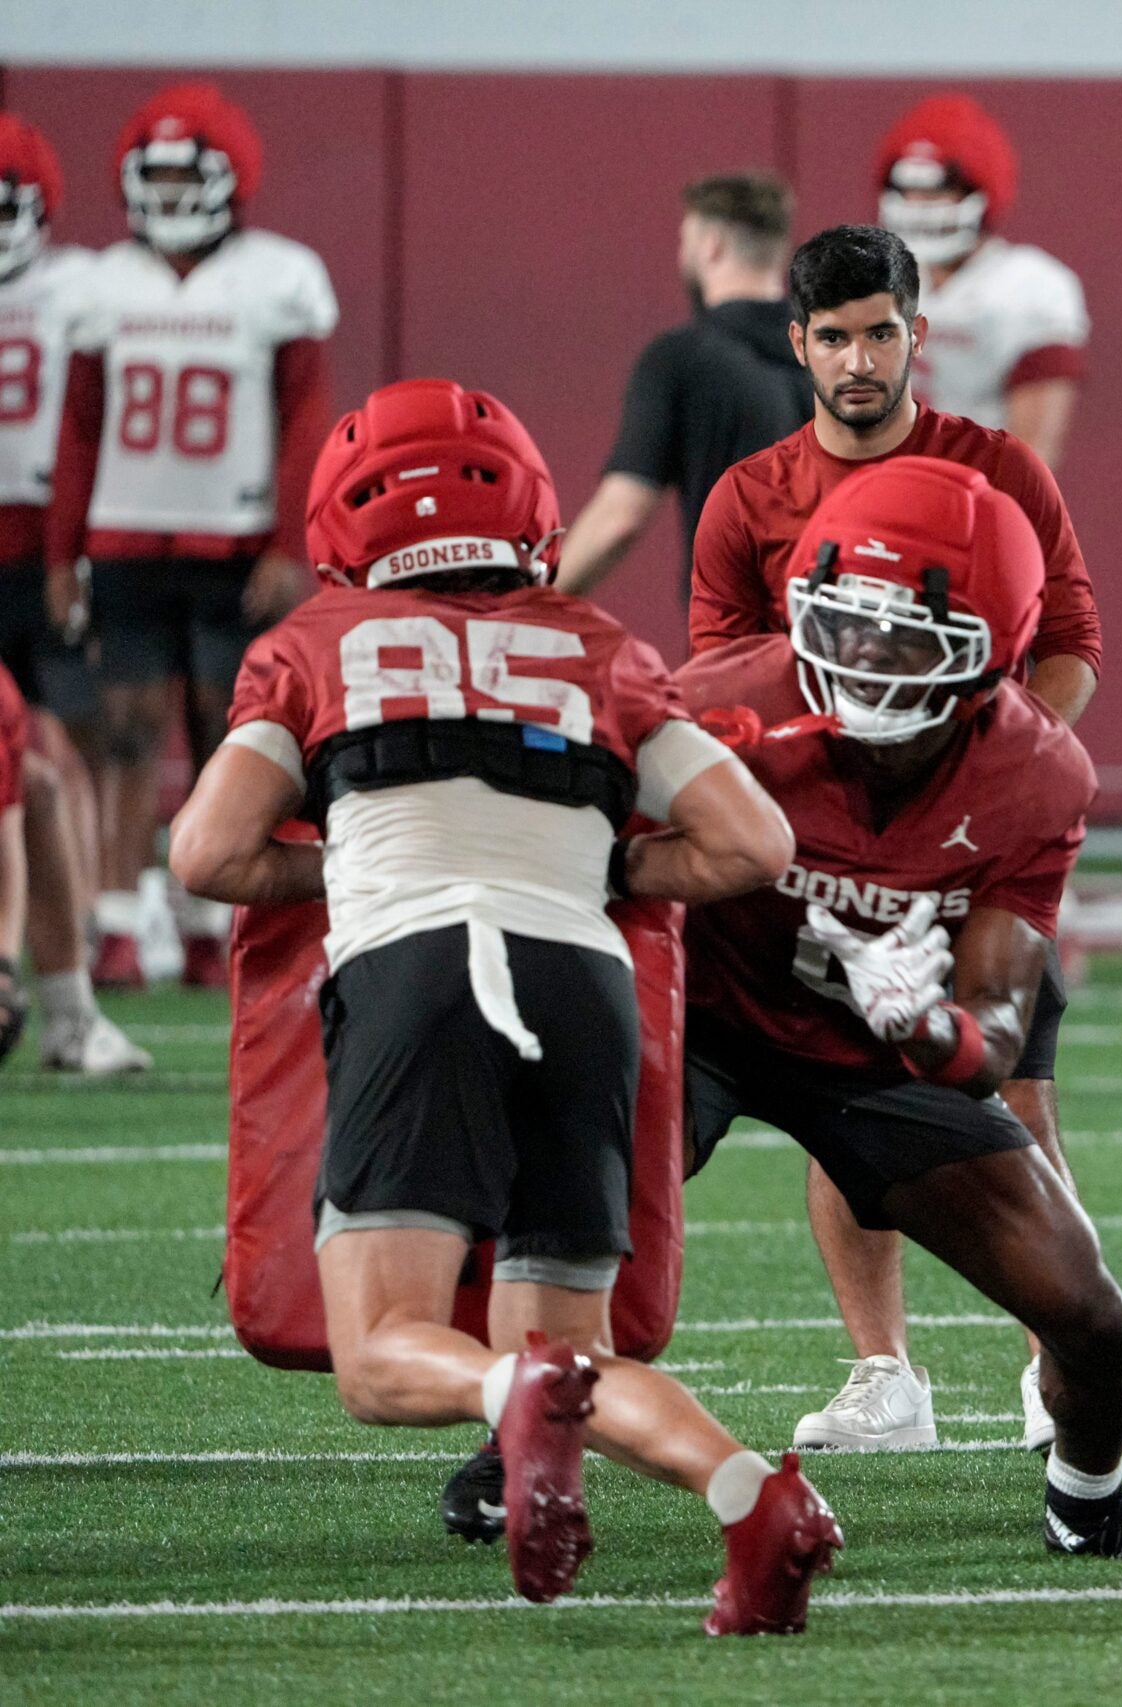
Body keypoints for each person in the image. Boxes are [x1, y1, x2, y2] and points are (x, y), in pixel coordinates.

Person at [167, 377, 838, 1632]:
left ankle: (503, 1398)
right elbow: (754, 841)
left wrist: (352, 864)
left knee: (382, 1358)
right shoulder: (599, 645)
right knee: (575, 1361)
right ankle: (754, 1498)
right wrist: (610, 869)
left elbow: (207, 852)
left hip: (421, 972)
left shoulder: (316, 641)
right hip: (584, 984)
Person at [682, 454, 1122, 1560]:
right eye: (849, 621)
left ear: (993, 653)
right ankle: (517, 1438)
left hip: (875, 1059)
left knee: (1091, 1320)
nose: (866, 656)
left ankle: (1086, 1504)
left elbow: (996, 1035)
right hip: (702, 1025)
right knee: (570, 1223)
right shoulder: (718, 704)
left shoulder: (1036, 773)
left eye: (909, 636)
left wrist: (924, 1025)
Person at [688, 222, 1101, 1457]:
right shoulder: (748, 496)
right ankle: (886, 1372)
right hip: (812, 863)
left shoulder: (999, 470)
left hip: (962, 851)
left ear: (918, 332)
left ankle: (1052, 1362)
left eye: (881, 333)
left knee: (1012, 1095)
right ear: (798, 343)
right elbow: (726, 692)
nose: (860, 360)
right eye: (835, 337)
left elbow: (1071, 647)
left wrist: (990, 778)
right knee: (839, 1105)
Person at [48, 82, 337, 990]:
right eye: (158, 177)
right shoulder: (104, 283)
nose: (170, 196)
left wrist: (287, 541)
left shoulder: (277, 276)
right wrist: (61, 552)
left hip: (234, 542)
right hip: (125, 539)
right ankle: (119, 922)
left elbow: (303, 418)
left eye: (186, 176)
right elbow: (79, 427)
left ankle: (212, 917)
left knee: (226, 730)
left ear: (228, 177)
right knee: (127, 734)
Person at [0, 113, 146, 1071]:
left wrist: (76, 547)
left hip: (41, 536)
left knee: (55, 759)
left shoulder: (83, 288)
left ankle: (81, 950)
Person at [554, 173, 807, 600]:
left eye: (684, 240)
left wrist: (533, 606)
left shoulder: (681, 357)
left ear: (711, 245)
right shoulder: (838, 356)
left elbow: (619, 518)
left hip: (736, 628)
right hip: (842, 630)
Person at [875, 95, 1089, 466]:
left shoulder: (1031, 289)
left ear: (977, 191)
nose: (920, 203)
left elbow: (1033, 462)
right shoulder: (876, 276)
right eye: (908, 190)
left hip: (980, 489)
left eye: (938, 189)